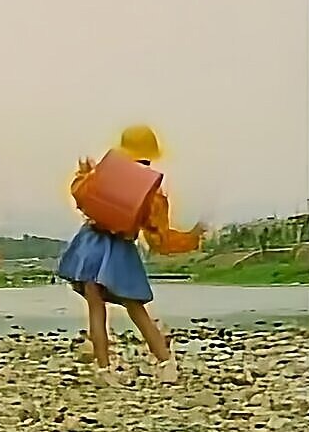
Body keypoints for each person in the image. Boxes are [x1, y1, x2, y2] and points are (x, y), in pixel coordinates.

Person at [58, 125, 205, 386]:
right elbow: (159, 239)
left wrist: (86, 171)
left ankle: (104, 369)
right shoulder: (151, 193)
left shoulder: (102, 177)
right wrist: (192, 237)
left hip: (90, 244)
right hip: (119, 247)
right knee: (136, 309)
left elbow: (79, 193)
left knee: (95, 309)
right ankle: (166, 363)